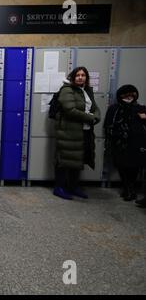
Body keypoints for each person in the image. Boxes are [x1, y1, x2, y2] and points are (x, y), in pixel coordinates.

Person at [53, 66, 101, 200]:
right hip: (68, 132)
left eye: (83, 75)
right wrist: (91, 118)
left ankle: (73, 187)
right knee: (64, 160)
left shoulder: (86, 91)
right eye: (78, 75)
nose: (80, 77)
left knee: (78, 160)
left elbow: (95, 108)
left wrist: (96, 116)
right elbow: (70, 110)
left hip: (84, 131)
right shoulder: (67, 90)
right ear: (73, 77)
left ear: (86, 78)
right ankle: (59, 187)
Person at [104, 84, 146, 202]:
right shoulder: (114, 108)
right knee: (122, 165)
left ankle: (130, 189)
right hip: (119, 142)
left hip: (137, 143)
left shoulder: (140, 108)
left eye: (131, 95)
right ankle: (127, 189)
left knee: (134, 166)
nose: (128, 97)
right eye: (125, 95)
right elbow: (108, 125)